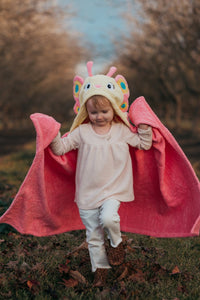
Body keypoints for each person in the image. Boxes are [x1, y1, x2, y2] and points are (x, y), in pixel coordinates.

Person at [50, 62, 152, 287]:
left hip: (113, 189)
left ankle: (116, 243)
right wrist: (51, 132)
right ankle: (100, 272)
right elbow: (60, 149)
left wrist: (144, 123)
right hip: (86, 193)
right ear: (86, 111)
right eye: (93, 112)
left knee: (108, 218)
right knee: (93, 236)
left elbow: (144, 144)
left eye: (104, 111)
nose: (99, 116)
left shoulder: (121, 131)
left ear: (114, 108)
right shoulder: (82, 132)